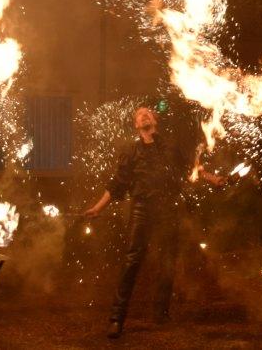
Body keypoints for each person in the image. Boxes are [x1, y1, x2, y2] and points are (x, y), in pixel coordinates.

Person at [84, 105, 224, 339]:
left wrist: (212, 178)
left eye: (148, 112)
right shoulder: (131, 150)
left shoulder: (169, 146)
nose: (144, 114)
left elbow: (192, 167)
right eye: (139, 114)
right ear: (136, 125)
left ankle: (160, 313)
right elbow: (117, 183)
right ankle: (117, 318)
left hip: (168, 209)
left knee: (168, 259)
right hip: (142, 210)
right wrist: (98, 208)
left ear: (155, 119)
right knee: (132, 261)